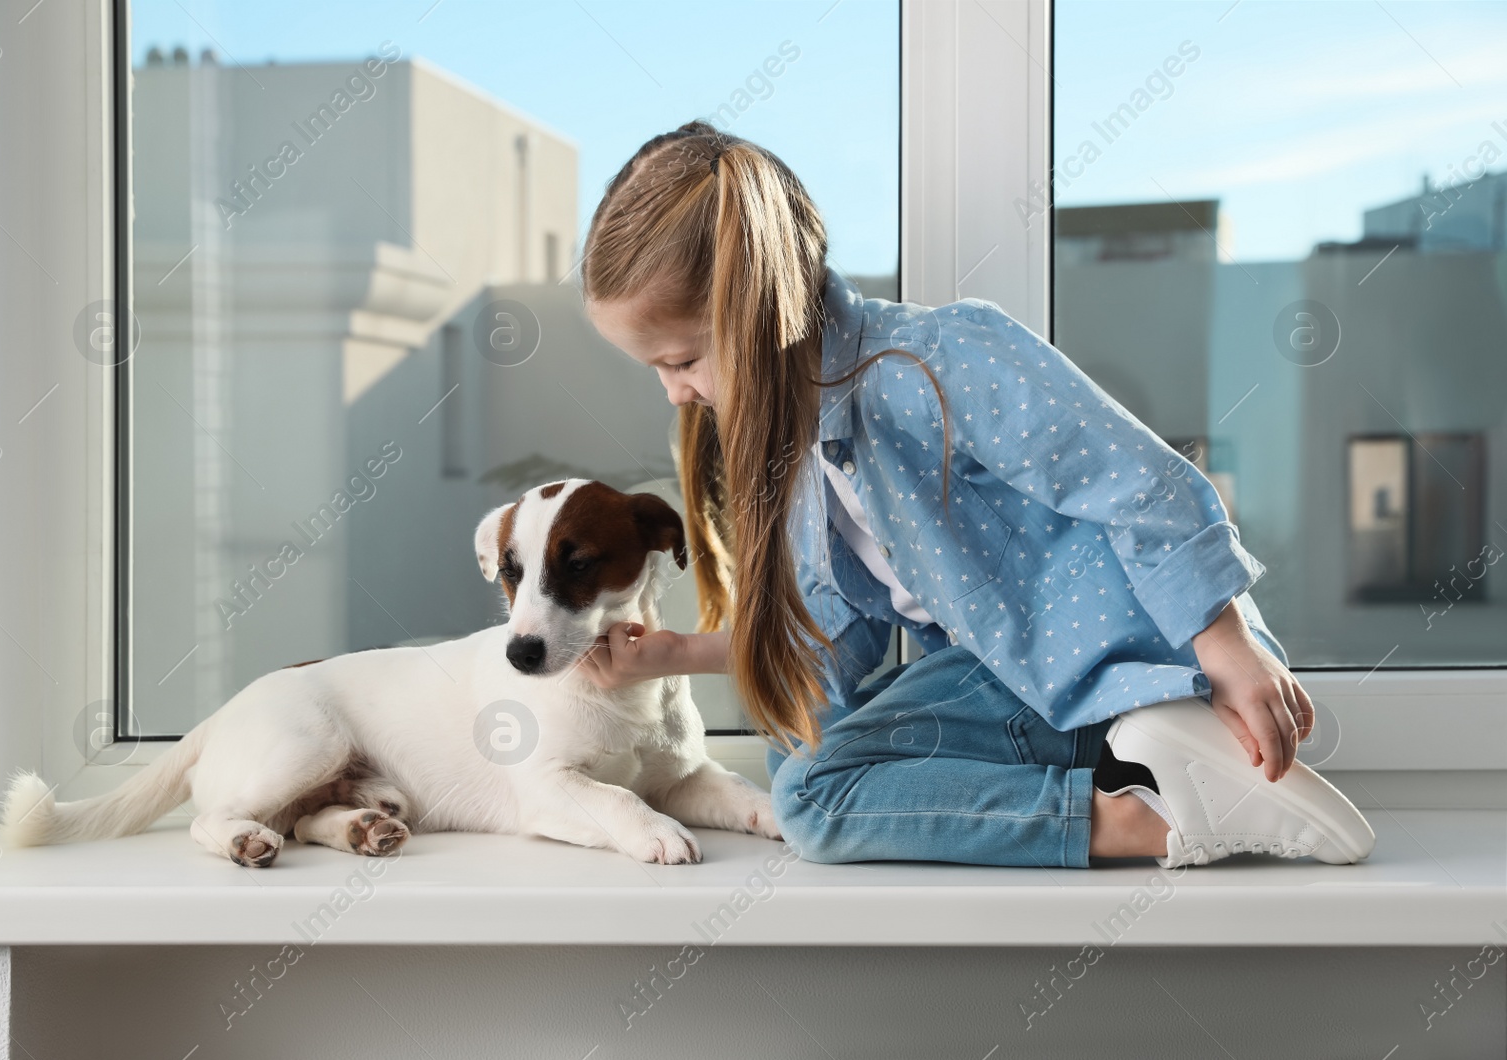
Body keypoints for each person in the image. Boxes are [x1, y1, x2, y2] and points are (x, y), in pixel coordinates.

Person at [575, 121, 1374, 869]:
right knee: (801, 739)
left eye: (681, 360)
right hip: (1011, 669)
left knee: (813, 797)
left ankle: (1143, 817)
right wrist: (682, 654)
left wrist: (1225, 646)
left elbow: (1137, 477)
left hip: (1114, 657)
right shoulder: (809, 454)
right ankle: (1143, 762)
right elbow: (832, 642)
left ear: (753, 315)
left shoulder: (935, 362)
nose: (675, 394)